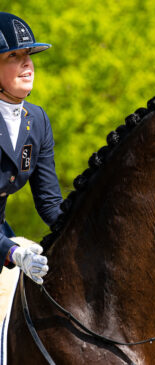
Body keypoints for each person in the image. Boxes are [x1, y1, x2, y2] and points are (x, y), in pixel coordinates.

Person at [0, 12, 62, 284]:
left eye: (28, 54)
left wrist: (90, 226)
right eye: (13, 56)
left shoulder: (37, 120)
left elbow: (50, 204)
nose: (27, 63)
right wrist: (13, 252)